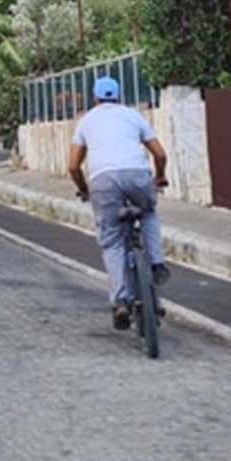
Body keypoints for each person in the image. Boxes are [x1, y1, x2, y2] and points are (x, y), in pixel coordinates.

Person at [68, 76, 169, 330]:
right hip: (137, 175)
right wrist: (160, 176)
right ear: (119, 95)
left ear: (96, 98)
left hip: (103, 181)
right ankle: (157, 263)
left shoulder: (87, 121)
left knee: (112, 240)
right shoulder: (133, 116)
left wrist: (83, 189)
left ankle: (121, 300)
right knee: (148, 214)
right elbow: (160, 153)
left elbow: (73, 165)